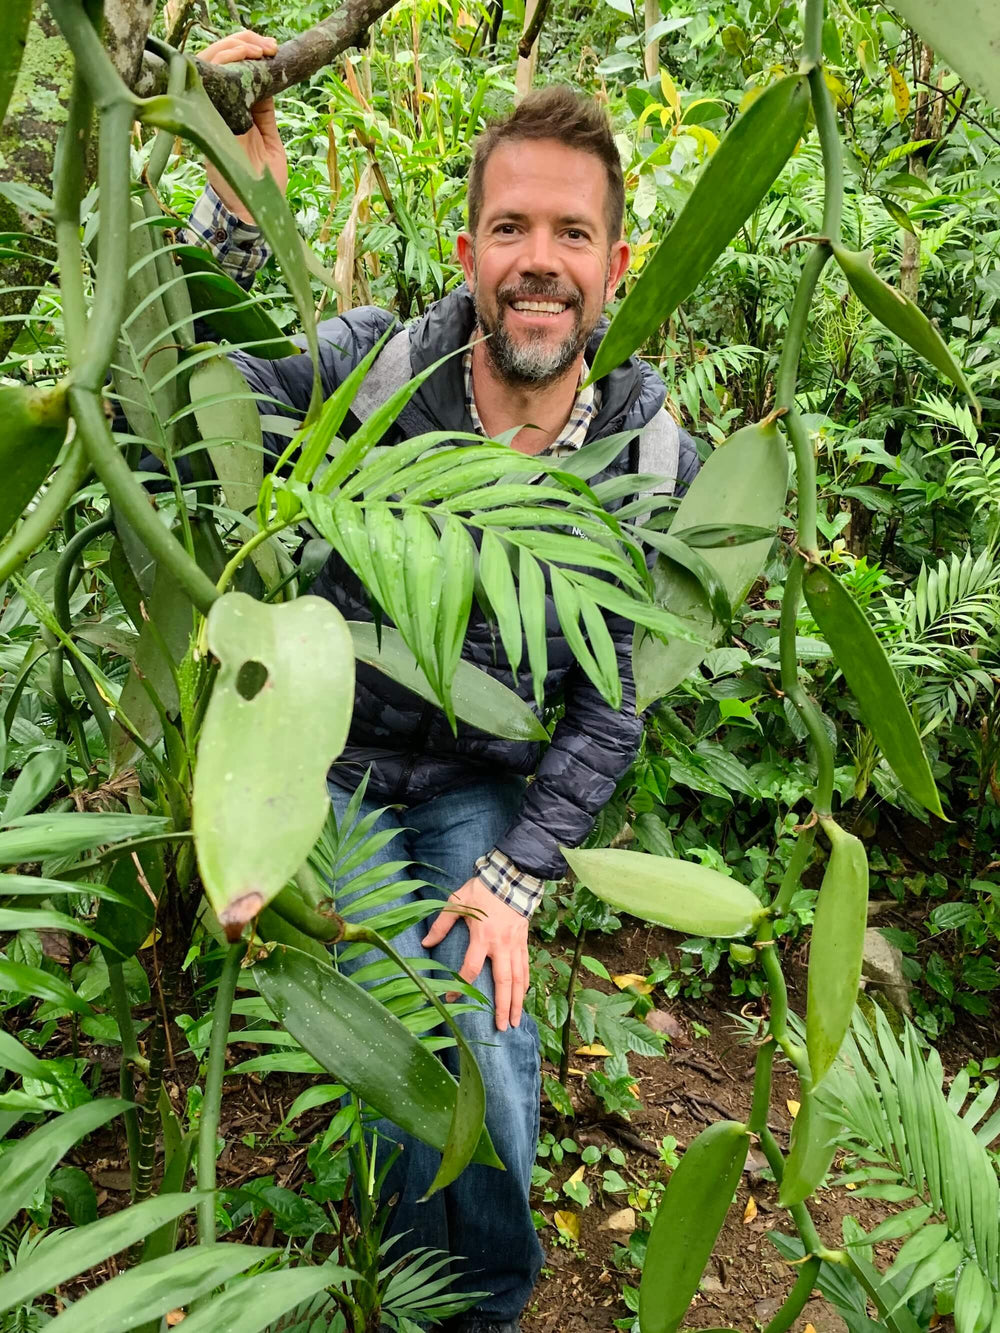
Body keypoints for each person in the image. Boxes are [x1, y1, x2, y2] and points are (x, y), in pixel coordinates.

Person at [185, 31, 700, 1333]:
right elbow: (203, 410)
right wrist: (231, 214)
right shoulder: (379, 371)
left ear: (616, 267)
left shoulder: (646, 456)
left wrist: (519, 874)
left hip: (484, 788)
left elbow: (617, 698)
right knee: (396, 1051)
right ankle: (414, 1301)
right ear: (470, 251)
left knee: (488, 1043)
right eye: (511, 226)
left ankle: (486, 1310)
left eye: (573, 233)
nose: (540, 259)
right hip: (340, 766)